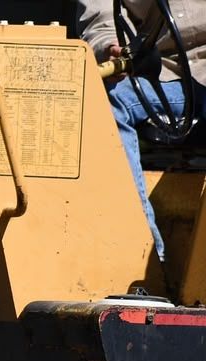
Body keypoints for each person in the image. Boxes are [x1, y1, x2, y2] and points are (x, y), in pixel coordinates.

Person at [78, 0, 206, 260]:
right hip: (165, 74)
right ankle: (144, 256)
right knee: (105, 96)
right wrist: (110, 47)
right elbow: (101, 15)